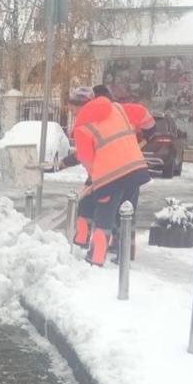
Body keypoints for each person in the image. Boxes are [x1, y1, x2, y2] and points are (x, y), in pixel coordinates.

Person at [67, 85, 152, 266]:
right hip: (135, 170)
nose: (72, 113)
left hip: (109, 176)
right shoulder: (118, 109)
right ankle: (125, 255)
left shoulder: (82, 123)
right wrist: (150, 131)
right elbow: (143, 114)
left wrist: (94, 177)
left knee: (104, 216)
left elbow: (86, 158)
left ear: (82, 105)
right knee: (127, 214)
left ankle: (96, 259)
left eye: (73, 108)